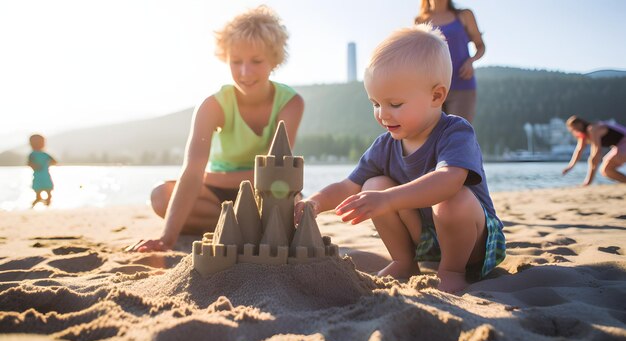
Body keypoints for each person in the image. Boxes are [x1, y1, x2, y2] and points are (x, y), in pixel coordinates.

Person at [295, 24, 504, 293]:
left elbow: (449, 180)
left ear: (436, 96)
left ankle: (452, 271)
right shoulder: (385, 145)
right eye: (375, 104)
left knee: (452, 198)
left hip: (474, 242)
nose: (383, 114)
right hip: (427, 239)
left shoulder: (455, 131)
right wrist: (316, 202)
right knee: (373, 185)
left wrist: (388, 200)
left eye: (394, 104)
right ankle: (404, 261)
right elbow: (349, 186)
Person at [127, 6, 304, 252]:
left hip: (263, 191)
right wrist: (167, 239)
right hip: (216, 196)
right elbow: (192, 170)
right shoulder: (213, 105)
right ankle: (241, 226)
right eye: (236, 61)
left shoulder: (291, 103)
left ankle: (242, 225)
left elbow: (276, 170)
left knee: (288, 201)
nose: (245, 72)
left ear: (274, 61)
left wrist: (210, 177)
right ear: (226, 59)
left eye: (256, 61)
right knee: (160, 196)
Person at [415, 0, 485, 123]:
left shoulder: (464, 15)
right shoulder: (420, 21)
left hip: (462, 86)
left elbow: (480, 46)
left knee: (459, 137)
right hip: (431, 91)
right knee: (433, 139)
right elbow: (417, 55)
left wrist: (470, 61)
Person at [562, 115, 626, 186]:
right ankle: (587, 183)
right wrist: (570, 166)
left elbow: (596, 149)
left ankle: (587, 183)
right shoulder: (584, 134)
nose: (574, 131)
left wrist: (593, 158)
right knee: (605, 170)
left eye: (574, 129)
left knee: (606, 169)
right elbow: (579, 150)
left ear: (580, 124)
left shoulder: (592, 129)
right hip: (619, 146)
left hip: (623, 144)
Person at [28, 134, 57, 207]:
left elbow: (29, 163)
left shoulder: (37, 154)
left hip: (42, 175)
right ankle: (41, 199)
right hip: (42, 175)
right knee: (44, 189)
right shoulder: (38, 154)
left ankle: (44, 201)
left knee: (45, 190)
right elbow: (54, 161)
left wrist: (37, 165)